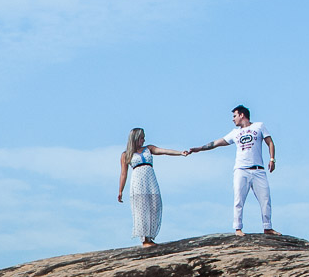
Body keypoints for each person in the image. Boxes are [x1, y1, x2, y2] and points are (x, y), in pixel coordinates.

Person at [185, 105, 280, 237]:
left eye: (234, 116)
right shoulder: (235, 133)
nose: (233, 119)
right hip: (241, 170)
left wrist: (272, 159)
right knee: (238, 200)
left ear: (242, 115)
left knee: (265, 199)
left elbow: (270, 142)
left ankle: (267, 227)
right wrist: (199, 148)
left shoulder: (259, 126)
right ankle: (238, 228)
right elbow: (217, 143)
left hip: (258, 169)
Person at [118, 127, 187, 247]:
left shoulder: (148, 149)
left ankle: (150, 237)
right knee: (141, 209)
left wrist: (180, 153)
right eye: (141, 138)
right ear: (135, 139)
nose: (144, 140)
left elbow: (164, 151)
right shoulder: (126, 155)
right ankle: (144, 239)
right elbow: (123, 174)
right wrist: (120, 191)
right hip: (138, 182)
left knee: (154, 205)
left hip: (150, 180)